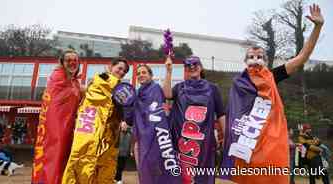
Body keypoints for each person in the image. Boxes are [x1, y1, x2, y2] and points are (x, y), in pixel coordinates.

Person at [220, 4, 324, 184]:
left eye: (259, 56)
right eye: (251, 57)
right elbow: (232, 113)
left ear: (266, 62)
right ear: (245, 62)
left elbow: (302, 57)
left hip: (271, 143)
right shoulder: (239, 84)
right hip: (247, 143)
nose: (255, 60)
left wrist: (317, 27)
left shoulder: (272, 76)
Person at [62, 57, 130, 184]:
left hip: (109, 133)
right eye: (119, 68)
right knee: (82, 155)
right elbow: (98, 95)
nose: (121, 72)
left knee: (105, 163)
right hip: (90, 125)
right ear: (111, 67)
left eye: (124, 71)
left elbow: (122, 109)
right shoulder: (101, 79)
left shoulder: (121, 89)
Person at [163, 56, 226, 184]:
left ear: (201, 67)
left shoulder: (213, 88)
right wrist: (169, 71)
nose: (192, 67)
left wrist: (226, 136)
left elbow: (221, 114)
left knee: (203, 175)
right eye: (188, 66)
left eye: (195, 64)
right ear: (185, 70)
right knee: (183, 176)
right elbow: (167, 94)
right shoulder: (180, 87)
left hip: (205, 143)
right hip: (183, 142)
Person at [31, 49, 82, 184]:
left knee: (63, 158)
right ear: (61, 63)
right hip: (55, 127)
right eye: (68, 60)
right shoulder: (57, 77)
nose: (72, 63)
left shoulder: (74, 82)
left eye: (75, 60)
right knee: (53, 156)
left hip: (69, 126)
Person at [132, 64, 180, 183]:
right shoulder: (135, 94)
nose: (140, 75)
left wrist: (168, 71)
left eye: (144, 72)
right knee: (144, 172)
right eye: (138, 73)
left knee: (162, 170)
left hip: (159, 137)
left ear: (151, 75)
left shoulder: (157, 88)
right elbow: (130, 118)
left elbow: (167, 95)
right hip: (141, 139)